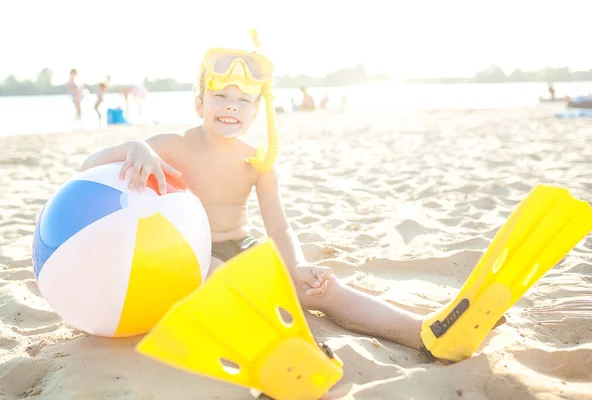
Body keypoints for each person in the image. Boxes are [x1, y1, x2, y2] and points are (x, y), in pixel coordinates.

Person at [80, 41, 426, 355]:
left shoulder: (258, 161)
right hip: (193, 253)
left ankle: (421, 332)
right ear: (200, 104)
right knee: (219, 276)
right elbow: (87, 167)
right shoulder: (173, 145)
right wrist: (133, 148)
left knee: (319, 288)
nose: (232, 107)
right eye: (221, 97)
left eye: (243, 100)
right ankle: (286, 354)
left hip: (244, 245)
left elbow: (279, 226)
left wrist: (298, 266)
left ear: (256, 111)